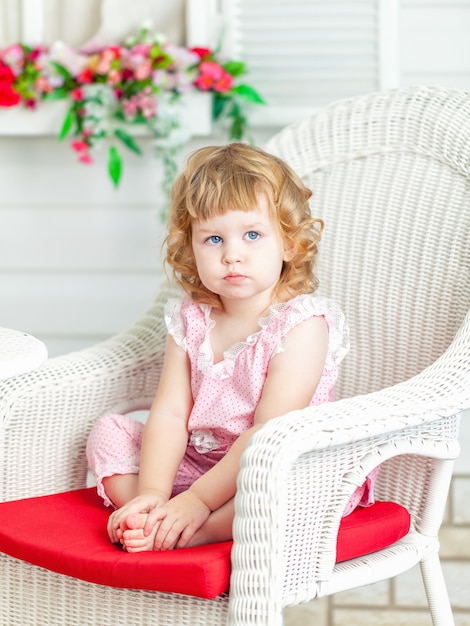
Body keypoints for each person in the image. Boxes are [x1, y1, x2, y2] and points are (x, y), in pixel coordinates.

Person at [86, 142, 374, 553]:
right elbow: (169, 412)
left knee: (286, 487)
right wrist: (152, 487)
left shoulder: (302, 324)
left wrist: (199, 501)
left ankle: (200, 529)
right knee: (109, 432)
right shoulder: (191, 317)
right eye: (214, 238)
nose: (232, 256)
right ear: (191, 247)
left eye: (252, 235)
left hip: (273, 461)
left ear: (289, 244)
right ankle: (153, 511)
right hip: (201, 461)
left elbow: (268, 431)